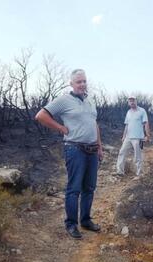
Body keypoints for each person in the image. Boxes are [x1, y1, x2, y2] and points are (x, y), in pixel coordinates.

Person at [35, 69, 103, 239]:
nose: (82, 84)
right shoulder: (64, 100)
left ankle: (86, 220)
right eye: (78, 82)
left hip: (92, 150)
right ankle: (71, 224)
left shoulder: (90, 101)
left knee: (89, 187)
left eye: (84, 81)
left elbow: (94, 124)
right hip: (75, 149)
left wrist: (100, 146)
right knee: (74, 189)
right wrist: (60, 128)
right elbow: (40, 115)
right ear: (71, 84)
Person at [116, 95, 150, 177]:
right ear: (128, 103)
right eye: (130, 101)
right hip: (128, 137)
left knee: (138, 156)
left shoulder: (142, 111)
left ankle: (139, 174)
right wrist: (124, 136)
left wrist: (147, 135)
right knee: (121, 152)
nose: (132, 102)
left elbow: (146, 123)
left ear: (136, 101)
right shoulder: (128, 112)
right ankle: (120, 172)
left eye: (133, 100)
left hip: (138, 138)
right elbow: (127, 125)